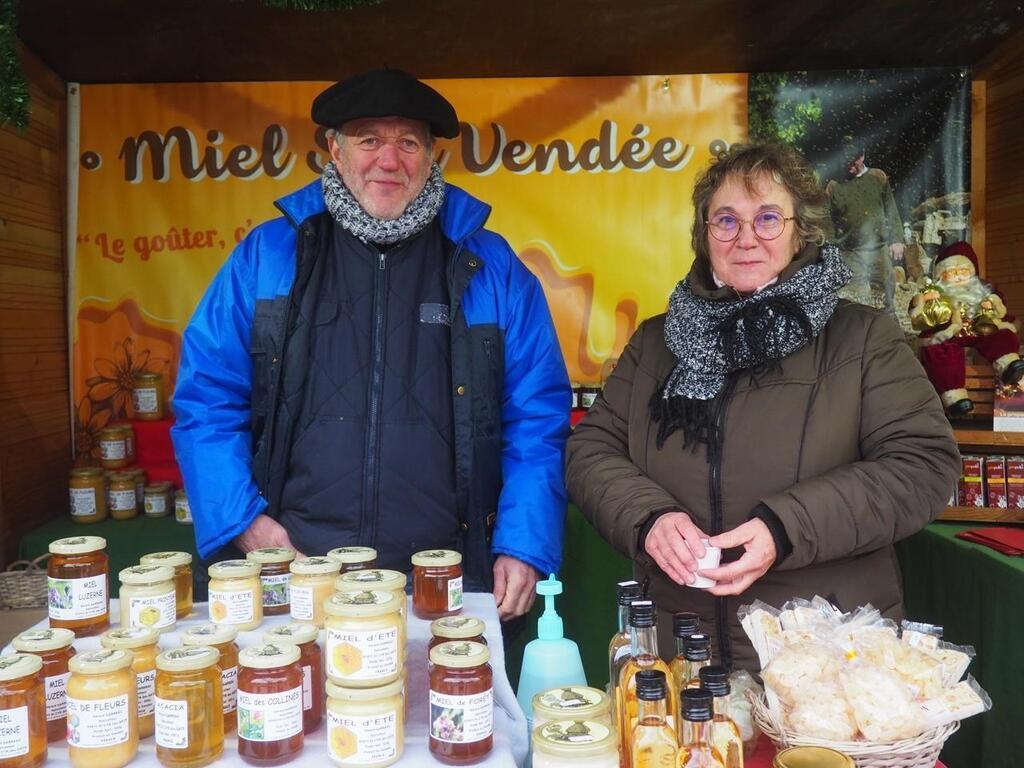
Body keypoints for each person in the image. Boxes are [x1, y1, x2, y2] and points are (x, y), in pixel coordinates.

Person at [171, 69, 570, 620]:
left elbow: (536, 418)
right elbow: (208, 398)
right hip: (293, 566)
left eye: (408, 142)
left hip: (445, 575)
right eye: (369, 140)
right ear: (334, 151)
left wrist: (523, 543)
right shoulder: (268, 255)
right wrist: (243, 523)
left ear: (432, 158)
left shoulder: (492, 267)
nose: (389, 160)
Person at [565, 142, 960, 670]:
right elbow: (591, 449)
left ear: (801, 231)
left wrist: (785, 528)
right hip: (680, 651)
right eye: (725, 220)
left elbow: (924, 467)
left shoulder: (863, 339)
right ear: (705, 236)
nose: (746, 237)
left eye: (768, 218)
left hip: (824, 657)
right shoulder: (656, 343)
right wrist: (648, 519)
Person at [826, 144, 906, 314]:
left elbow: (890, 208)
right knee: (853, 301)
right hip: (849, 252)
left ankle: (888, 335)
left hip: (878, 249)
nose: (849, 165)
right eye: (845, 161)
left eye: (853, 161)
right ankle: (858, 335)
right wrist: (829, 252)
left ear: (862, 157)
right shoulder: (834, 186)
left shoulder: (877, 177)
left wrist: (897, 239)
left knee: (885, 298)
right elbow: (827, 221)